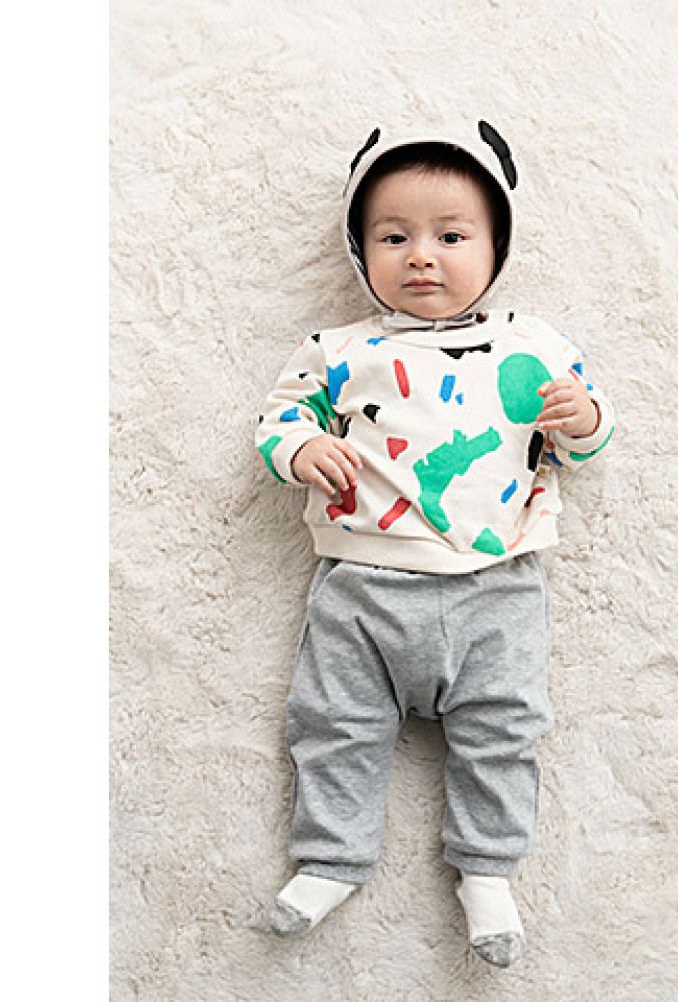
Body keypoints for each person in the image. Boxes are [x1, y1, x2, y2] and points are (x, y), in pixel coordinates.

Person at [254, 120, 615, 968]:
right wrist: (301, 449)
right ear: (361, 250)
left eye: (451, 237)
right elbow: (278, 419)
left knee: (503, 731)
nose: (422, 256)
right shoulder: (341, 350)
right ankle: (331, 858)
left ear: (496, 248)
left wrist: (584, 417)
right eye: (394, 237)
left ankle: (487, 869)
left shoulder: (535, 348)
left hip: (498, 584)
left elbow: (588, 443)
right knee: (334, 725)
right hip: (364, 588)